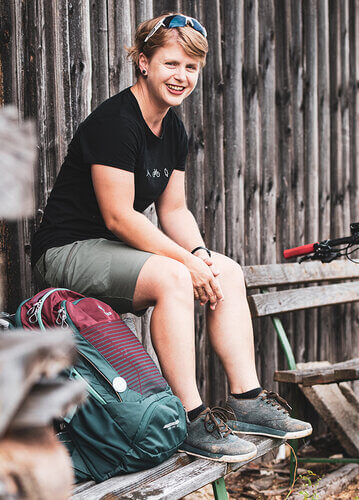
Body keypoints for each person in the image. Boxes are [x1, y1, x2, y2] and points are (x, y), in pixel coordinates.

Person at [32, 13, 312, 462]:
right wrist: (187, 264)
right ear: (144, 63)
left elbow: (174, 210)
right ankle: (189, 417)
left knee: (228, 270)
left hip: (113, 248)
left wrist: (201, 255)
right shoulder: (116, 122)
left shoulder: (174, 128)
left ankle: (246, 400)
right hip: (67, 249)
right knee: (175, 278)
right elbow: (120, 216)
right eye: (171, 64)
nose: (181, 77)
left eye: (192, 68)